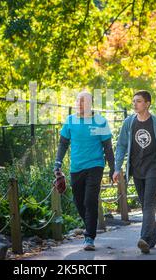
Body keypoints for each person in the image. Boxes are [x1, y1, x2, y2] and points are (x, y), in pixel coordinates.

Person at [54, 91, 115, 251]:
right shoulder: (70, 121)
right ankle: (90, 223)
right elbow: (63, 144)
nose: (80, 104)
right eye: (78, 101)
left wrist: (112, 168)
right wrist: (57, 163)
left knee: (90, 200)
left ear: (90, 104)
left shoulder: (100, 121)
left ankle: (89, 237)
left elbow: (108, 147)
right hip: (76, 167)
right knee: (79, 201)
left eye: (83, 102)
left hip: (95, 165)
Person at [113, 90, 156, 254]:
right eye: (133, 101)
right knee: (146, 204)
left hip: (153, 168)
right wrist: (117, 168)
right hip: (136, 169)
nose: (134, 104)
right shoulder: (129, 123)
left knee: (148, 202)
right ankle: (152, 238)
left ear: (147, 104)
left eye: (138, 101)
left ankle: (144, 238)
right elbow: (121, 146)